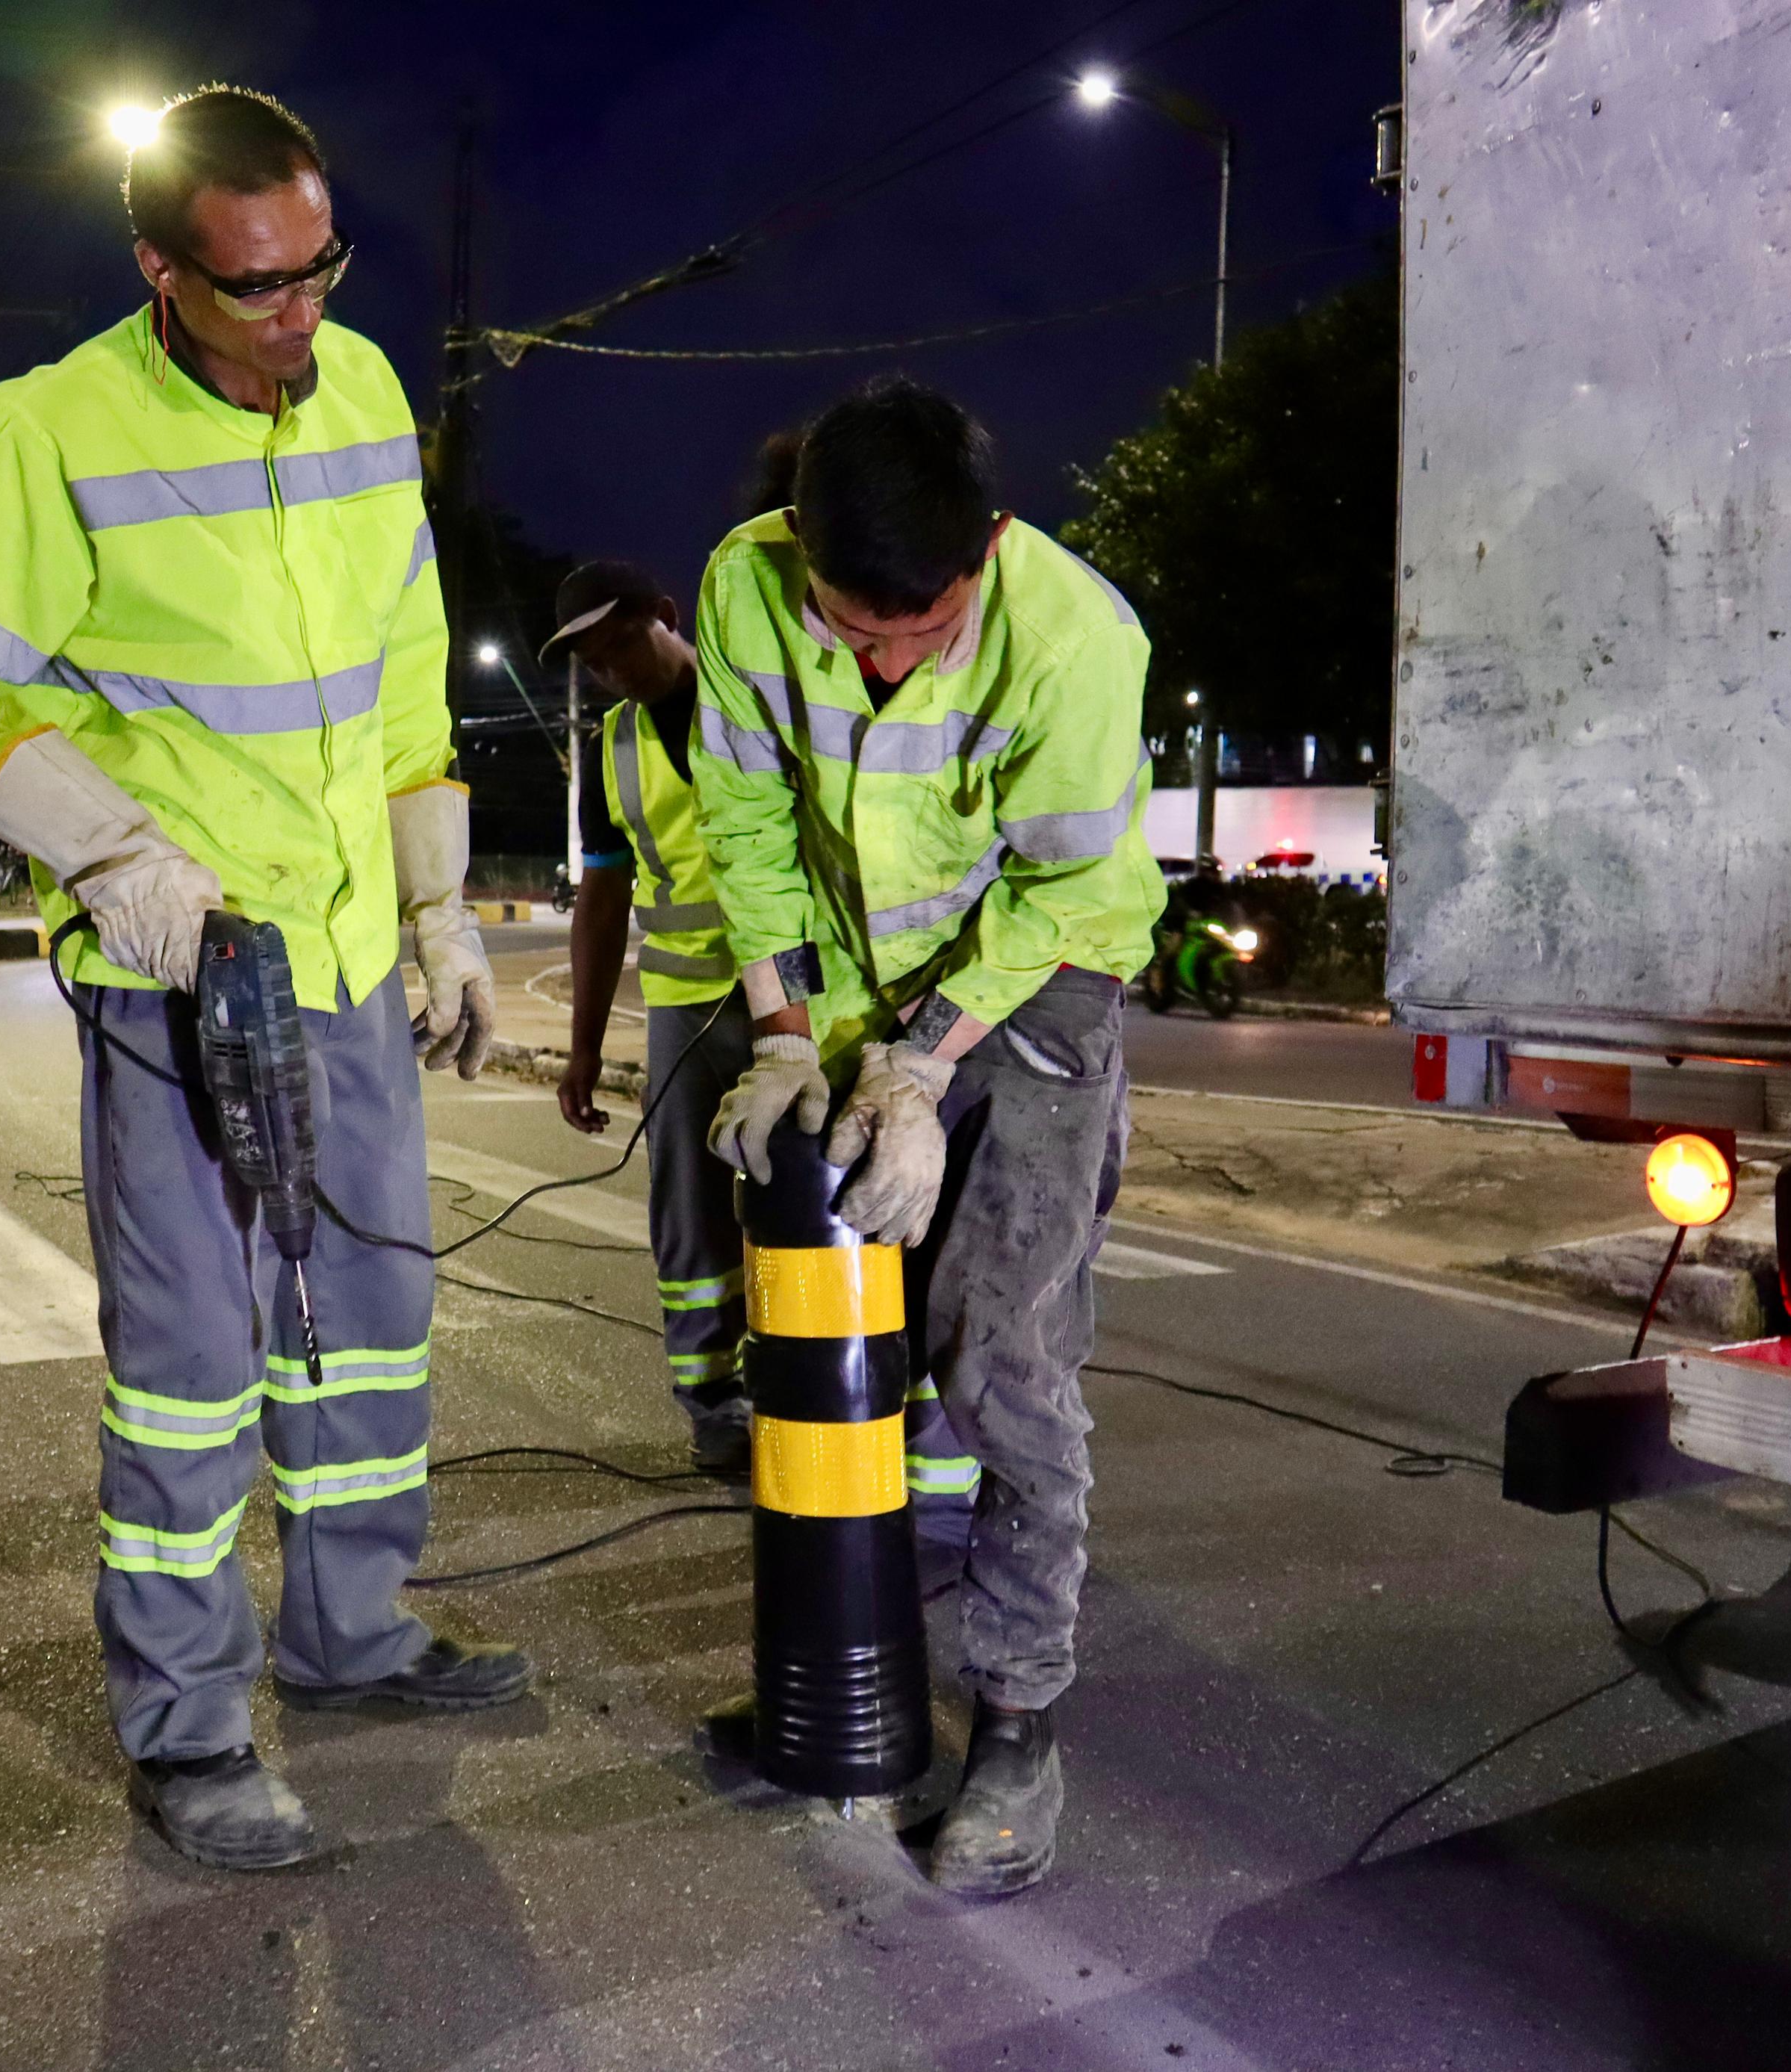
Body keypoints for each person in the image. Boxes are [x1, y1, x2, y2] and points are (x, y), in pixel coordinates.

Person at [0, 84, 524, 1874]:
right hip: (181, 975)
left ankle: (355, 1635)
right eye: (254, 288)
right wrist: (112, 855)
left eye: (320, 269)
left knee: (368, 1321)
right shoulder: (42, 439)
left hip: (354, 959)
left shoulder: (368, 391)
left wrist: (442, 913)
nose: (298, 317)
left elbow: (398, 690)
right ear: (159, 270)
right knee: (196, 1360)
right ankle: (189, 1721)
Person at [689, 376, 1160, 1896]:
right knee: (837, 1331)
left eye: (922, 634)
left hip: (1040, 985)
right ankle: (853, 1667)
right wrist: (781, 1030)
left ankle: (1019, 1718)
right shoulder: (744, 582)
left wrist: (921, 1065)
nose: (882, 661)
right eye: (852, 632)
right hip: (853, 978)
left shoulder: (1077, 635)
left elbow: (1062, 892)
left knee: (1002, 1350)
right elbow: (748, 822)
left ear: (992, 547)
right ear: (793, 551)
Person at [543, 561, 757, 1476]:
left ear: (666, 617)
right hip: (680, 1010)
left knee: (803, 1202)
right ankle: (711, 1403)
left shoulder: (755, 704)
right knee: (688, 1216)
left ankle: (811, 1384)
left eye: (622, 642)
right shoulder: (612, 748)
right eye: (594, 661)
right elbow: (601, 899)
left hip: (790, 995)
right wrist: (582, 1048)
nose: (612, 669)